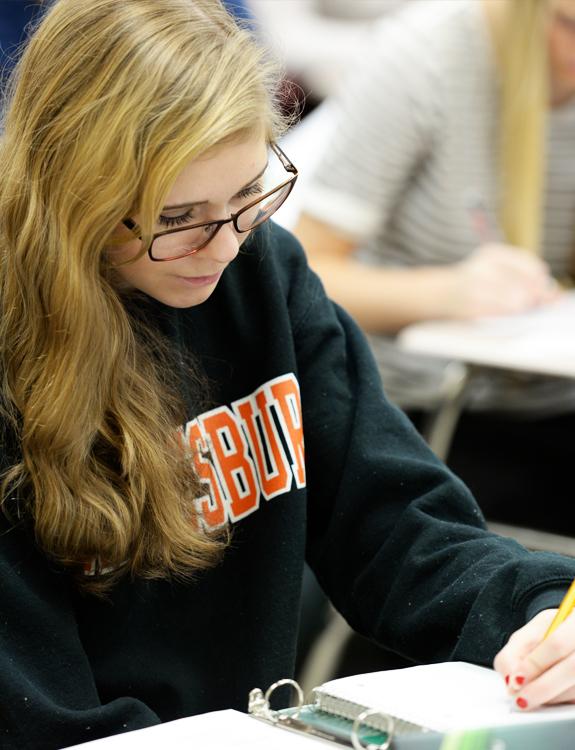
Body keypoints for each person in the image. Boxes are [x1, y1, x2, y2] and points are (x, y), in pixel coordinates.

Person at [1, 1, 575, 748]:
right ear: (75, 186)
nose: (222, 246)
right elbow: (38, 711)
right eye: (178, 218)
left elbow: (395, 524)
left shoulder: (262, 272)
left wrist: (539, 608)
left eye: (247, 196)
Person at [294, 0, 575, 535]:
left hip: (555, 400)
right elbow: (306, 277)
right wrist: (447, 292)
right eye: (568, 25)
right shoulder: (425, 59)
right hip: (430, 407)